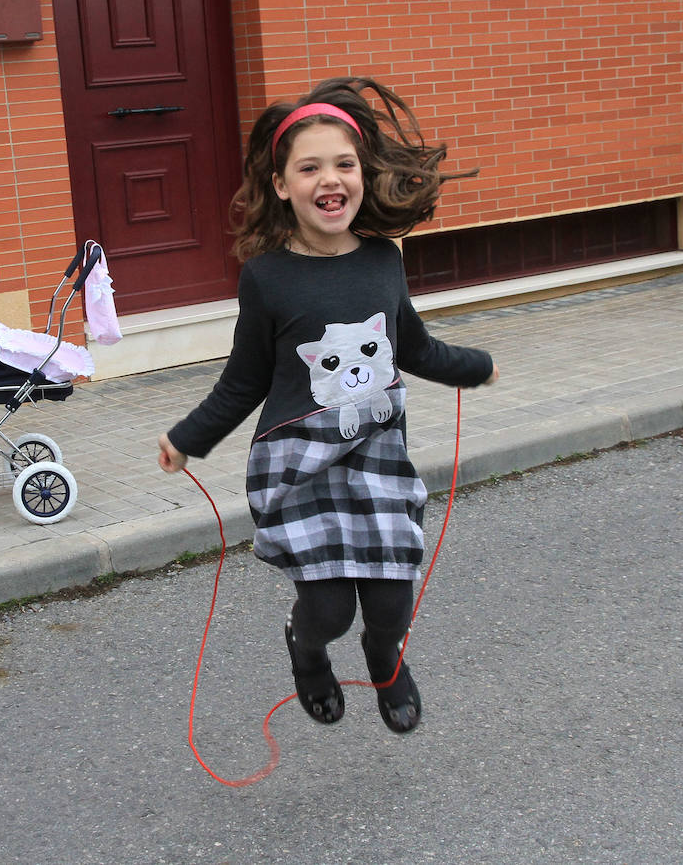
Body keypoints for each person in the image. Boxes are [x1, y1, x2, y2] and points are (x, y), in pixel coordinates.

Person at [157, 76, 497, 734]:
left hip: (376, 457)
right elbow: (243, 380)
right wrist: (187, 437)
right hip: (300, 465)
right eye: (309, 167)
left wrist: (474, 367)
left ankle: (384, 660)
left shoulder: (381, 262)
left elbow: (415, 349)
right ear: (282, 186)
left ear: (363, 174)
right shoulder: (265, 277)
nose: (329, 178)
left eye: (343, 164)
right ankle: (306, 650)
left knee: (392, 601)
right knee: (330, 607)